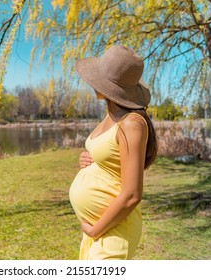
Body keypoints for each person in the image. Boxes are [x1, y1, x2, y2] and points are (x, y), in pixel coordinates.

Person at [69, 45, 158, 260]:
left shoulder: (132, 123)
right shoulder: (113, 115)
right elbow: (112, 157)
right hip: (101, 229)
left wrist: (96, 229)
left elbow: (132, 195)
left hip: (113, 230)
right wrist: (91, 160)